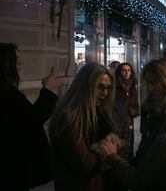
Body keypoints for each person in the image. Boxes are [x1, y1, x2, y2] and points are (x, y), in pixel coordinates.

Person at [48, 63, 117, 191]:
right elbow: (83, 162)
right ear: (85, 86)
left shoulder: (94, 112)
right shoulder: (70, 117)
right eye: (100, 87)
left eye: (108, 88)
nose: (105, 93)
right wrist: (105, 152)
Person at [1, 43, 59, 190]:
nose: (20, 63)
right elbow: (33, 120)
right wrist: (47, 89)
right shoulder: (7, 93)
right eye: (16, 59)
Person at [112, 63, 139, 161]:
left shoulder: (132, 87)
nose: (127, 73)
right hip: (117, 124)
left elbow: (136, 106)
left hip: (129, 123)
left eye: (129, 70)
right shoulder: (114, 86)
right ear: (119, 72)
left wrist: (134, 111)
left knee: (128, 146)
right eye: (124, 70)